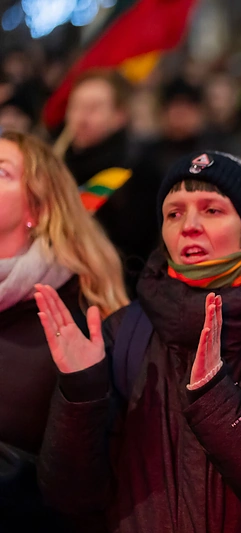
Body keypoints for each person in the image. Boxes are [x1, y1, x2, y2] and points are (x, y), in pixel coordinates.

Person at [35, 151, 241, 532]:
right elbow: (71, 499)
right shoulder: (124, 332)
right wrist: (80, 393)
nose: (189, 226)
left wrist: (216, 398)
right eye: (174, 213)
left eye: (211, 210)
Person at [0, 131, 127, 532]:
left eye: (1, 172)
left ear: (36, 205)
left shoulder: (80, 311)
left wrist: (84, 386)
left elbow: (81, 486)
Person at [62, 68, 162, 295]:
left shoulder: (137, 171)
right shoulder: (58, 163)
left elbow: (138, 251)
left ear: (119, 115)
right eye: (75, 106)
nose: (81, 117)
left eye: (93, 108)